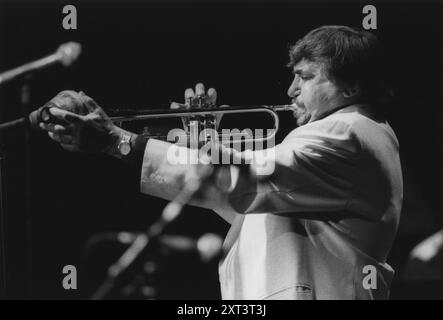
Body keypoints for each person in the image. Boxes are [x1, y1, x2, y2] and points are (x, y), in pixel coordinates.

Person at [39, 25, 403, 300]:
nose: (290, 91)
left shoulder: (346, 131)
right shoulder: (345, 140)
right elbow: (253, 210)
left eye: (305, 77)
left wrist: (118, 141)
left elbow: (241, 183)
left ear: (351, 88)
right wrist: (204, 146)